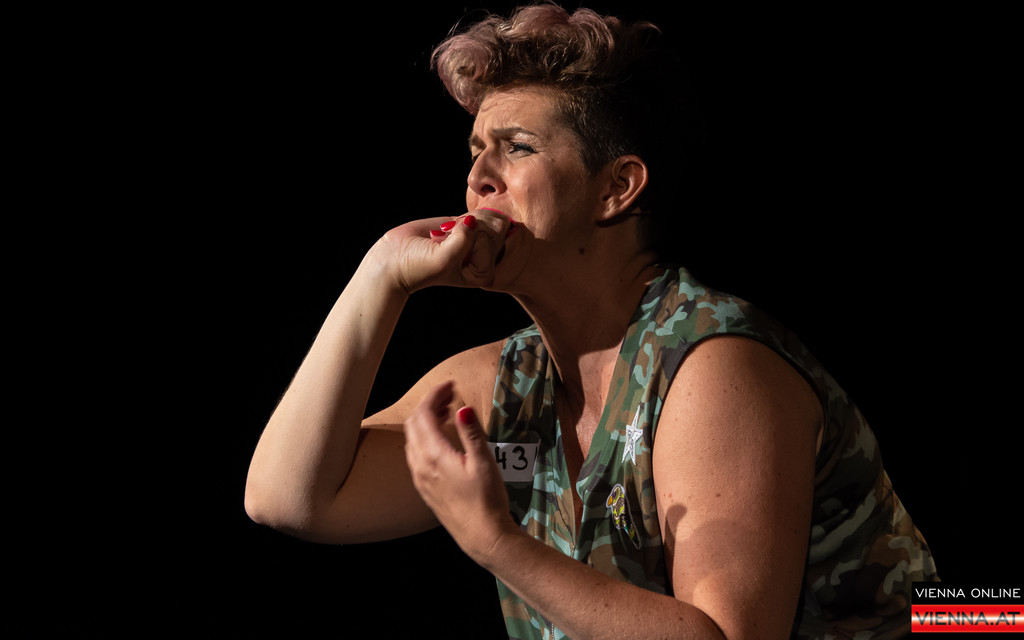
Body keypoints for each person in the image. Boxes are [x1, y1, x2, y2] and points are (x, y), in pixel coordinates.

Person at [245, 3, 938, 638]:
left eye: (517, 147)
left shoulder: (712, 365)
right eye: (476, 151)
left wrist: (495, 542)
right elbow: (290, 500)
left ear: (616, 188)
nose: (479, 177)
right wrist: (379, 274)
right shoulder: (505, 388)